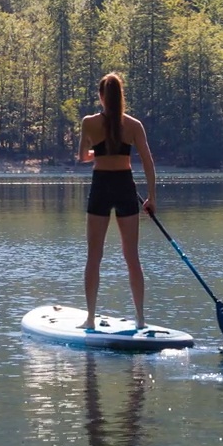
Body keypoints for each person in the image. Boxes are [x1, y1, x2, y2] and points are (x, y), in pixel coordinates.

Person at [77, 72, 156, 330]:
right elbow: (147, 160)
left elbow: (82, 157)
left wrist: (98, 151)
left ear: (101, 96)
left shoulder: (89, 122)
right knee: (132, 256)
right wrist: (151, 197)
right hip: (124, 186)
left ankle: (90, 318)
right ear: (121, 96)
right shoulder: (134, 125)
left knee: (94, 256)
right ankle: (141, 319)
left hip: (101, 186)